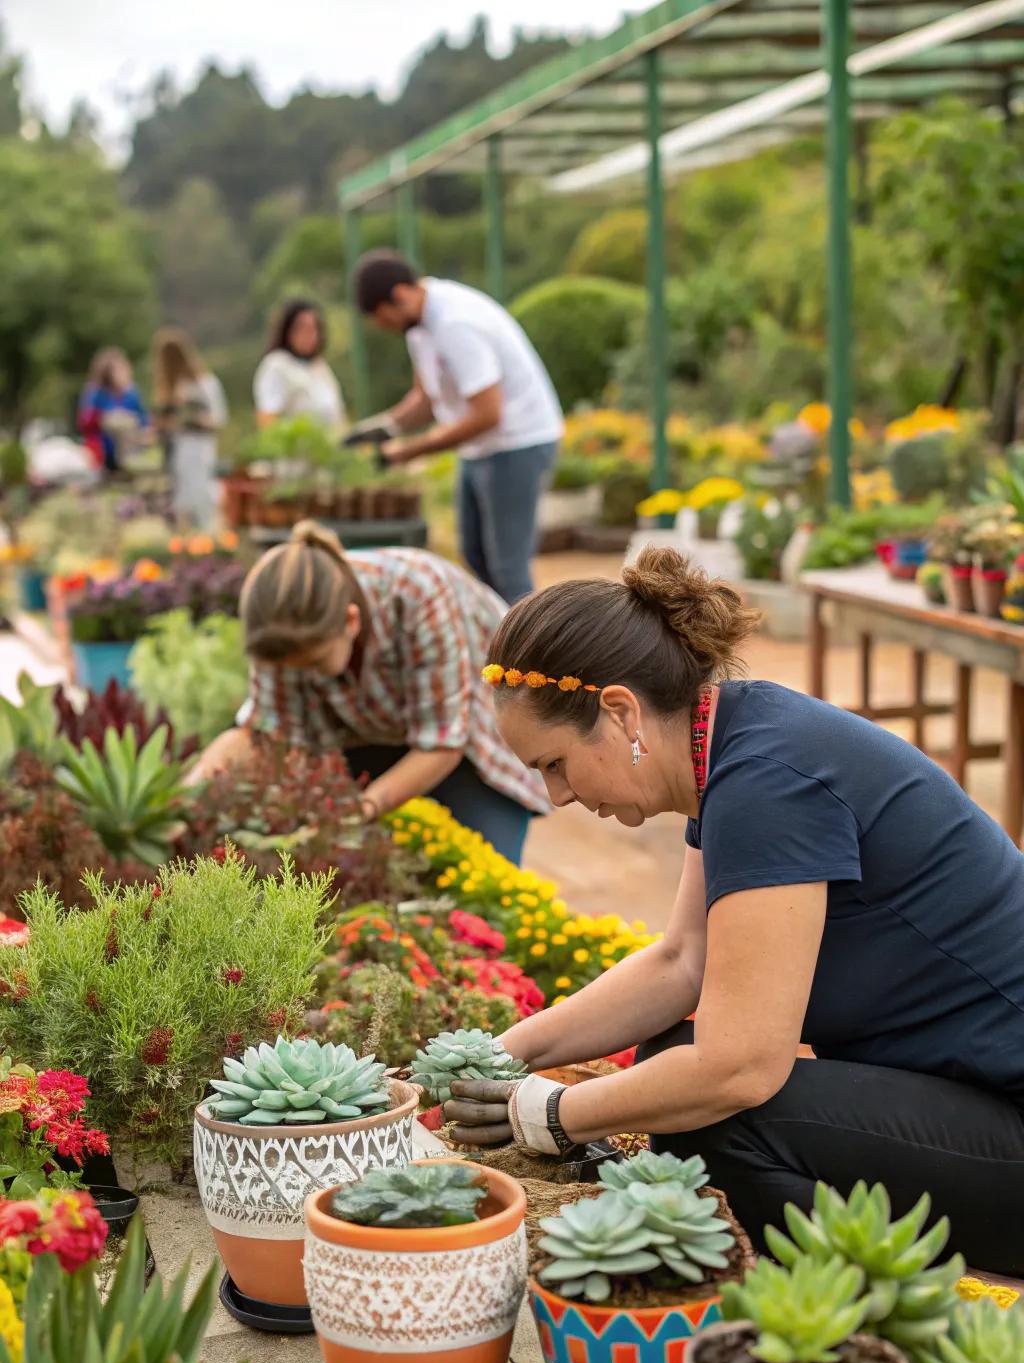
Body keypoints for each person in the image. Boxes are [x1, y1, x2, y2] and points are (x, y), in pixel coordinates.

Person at [442, 547, 1024, 1273]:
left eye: (554, 763)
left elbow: (740, 1067)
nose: (557, 797)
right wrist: (504, 1056)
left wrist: (549, 1116)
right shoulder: (736, 744)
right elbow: (681, 963)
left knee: (721, 1118)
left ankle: (859, 1310)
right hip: (974, 1095)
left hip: (1010, 1118)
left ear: (620, 712)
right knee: (667, 1066)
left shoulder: (769, 783)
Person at [191, 521, 547, 863]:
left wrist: (355, 813)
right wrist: (185, 796)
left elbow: (441, 744)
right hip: (369, 727)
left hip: (473, 735)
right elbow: (262, 734)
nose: (299, 677)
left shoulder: (418, 592)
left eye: (312, 662)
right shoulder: (279, 624)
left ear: (350, 621)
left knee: (479, 872)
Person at [351, 251, 563, 606]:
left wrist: (411, 450)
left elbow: (487, 414)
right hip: (482, 448)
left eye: (379, 314)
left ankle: (532, 657)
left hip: (517, 443)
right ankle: (501, 643)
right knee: (475, 555)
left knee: (508, 568)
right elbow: (426, 398)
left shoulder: (455, 323)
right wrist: (384, 428)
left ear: (400, 294)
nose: (379, 325)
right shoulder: (418, 327)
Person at [151, 328, 227, 529]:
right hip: (178, 448)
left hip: (200, 447)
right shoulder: (173, 387)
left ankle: (207, 539)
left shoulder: (204, 383)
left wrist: (192, 418)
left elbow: (218, 418)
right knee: (181, 498)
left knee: (201, 495)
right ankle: (186, 541)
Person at [253, 300, 346, 432]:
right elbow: (268, 420)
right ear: (287, 331)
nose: (310, 335)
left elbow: (338, 416)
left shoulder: (319, 366)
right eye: (302, 328)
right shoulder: (277, 365)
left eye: (314, 328)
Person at [78, 348, 149, 472]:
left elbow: (142, 418)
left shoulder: (131, 393)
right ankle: (125, 462)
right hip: (103, 448)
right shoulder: (97, 393)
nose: (125, 372)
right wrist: (106, 418)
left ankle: (130, 462)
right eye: (120, 370)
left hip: (132, 445)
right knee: (121, 421)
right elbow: (86, 422)